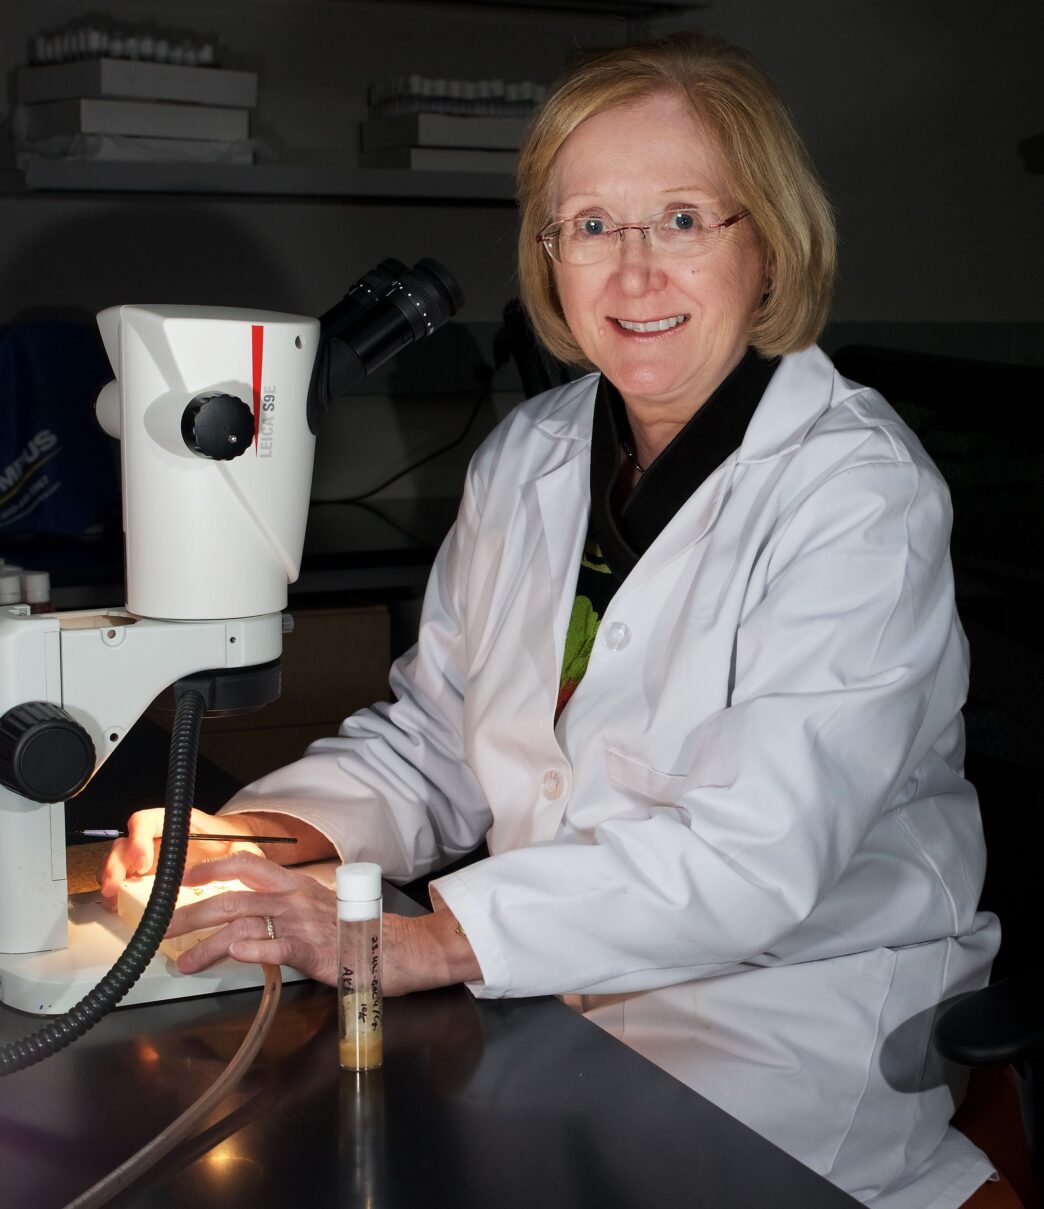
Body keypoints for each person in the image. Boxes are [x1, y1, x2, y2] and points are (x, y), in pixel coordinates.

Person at [102, 32, 1000, 1209]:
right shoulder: (535, 450)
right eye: (591, 226)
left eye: (683, 219)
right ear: (549, 257)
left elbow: (752, 858)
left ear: (769, 245)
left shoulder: (855, 493)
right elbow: (441, 736)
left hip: (788, 1034)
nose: (633, 275)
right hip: (550, 1004)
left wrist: (412, 943)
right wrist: (263, 842)